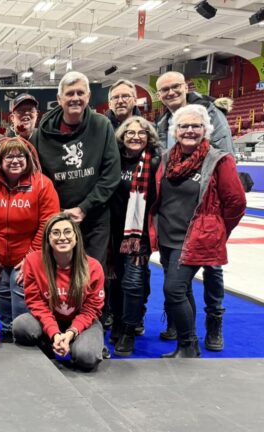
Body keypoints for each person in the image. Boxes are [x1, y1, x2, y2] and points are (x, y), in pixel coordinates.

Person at [149, 104, 245, 358]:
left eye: (196, 126)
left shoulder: (219, 161)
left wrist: (217, 230)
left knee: (173, 290)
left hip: (194, 239)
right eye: (184, 126)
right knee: (184, 290)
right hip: (168, 237)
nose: (189, 130)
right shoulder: (168, 158)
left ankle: (189, 344)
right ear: (175, 130)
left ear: (206, 129)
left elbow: (236, 202)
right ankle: (186, 342)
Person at [31, 71, 119, 335]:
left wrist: (85, 207)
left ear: (89, 96)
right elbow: (39, 179)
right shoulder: (41, 134)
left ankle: (91, 329)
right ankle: (56, 329)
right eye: (70, 94)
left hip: (93, 217)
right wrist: (56, 214)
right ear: (59, 98)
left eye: (81, 93)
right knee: (56, 273)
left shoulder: (102, 126)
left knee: (92, 273)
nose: (76, 98)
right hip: (57, 220)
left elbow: (110, 173)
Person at [0, 136, 59, 342]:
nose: (15, 160)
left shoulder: (42, 184)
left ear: (28, 159)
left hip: (28, 253)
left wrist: (31, 257)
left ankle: (24, 338)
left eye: (20, 156)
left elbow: (48, 223)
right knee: (2, 294)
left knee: (20, 295)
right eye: (9, 156)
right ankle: (7, 334)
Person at [12, 213, 105, 371]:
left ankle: (82, 344)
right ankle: (53, 343)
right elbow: (36, 303)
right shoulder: (33, 261)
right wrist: (55, 333)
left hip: (82, 322)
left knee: (86, 357)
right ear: (48, 239)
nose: (62, 237)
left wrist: (69, 334)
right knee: (20, 326)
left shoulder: (93, 267)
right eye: (55, 232)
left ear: (76, 237)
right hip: (49, 319)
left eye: (68, 231)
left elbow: (91, 309)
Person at [107, 117, 161, 357]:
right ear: (122, 136)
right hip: (114, 232)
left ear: (149, 137)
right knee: (115, 282)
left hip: (139, 236)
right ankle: (118, 322)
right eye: (130, 132)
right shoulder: (113, 160)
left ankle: (129, 329)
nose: (135, 136)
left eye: (141, 132)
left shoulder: (155, 162)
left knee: (133, 282)